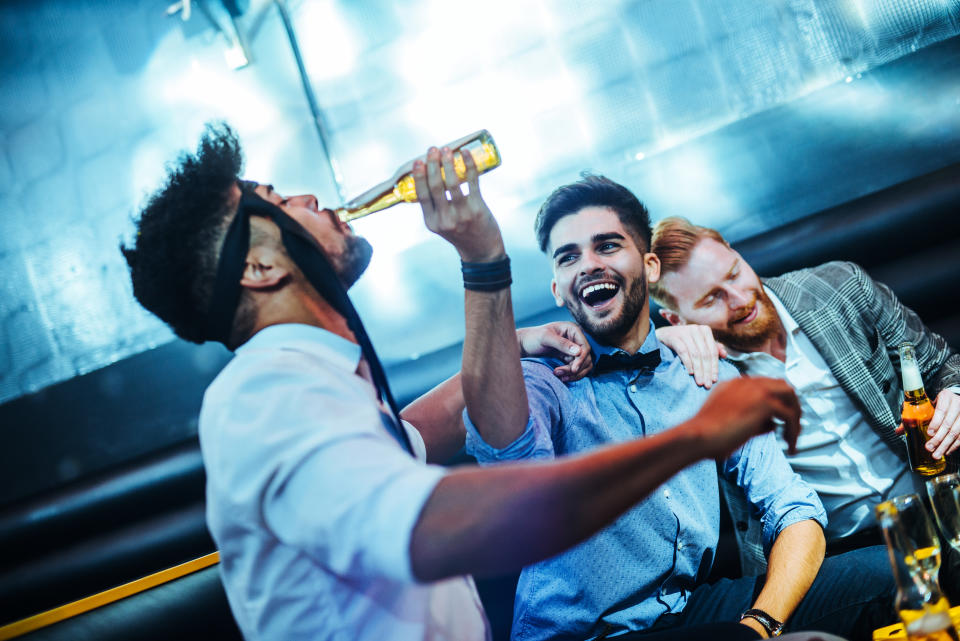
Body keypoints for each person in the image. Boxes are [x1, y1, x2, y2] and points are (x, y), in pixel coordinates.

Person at [120, 125, 813, 641]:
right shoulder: (266, 398)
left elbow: (420, 433)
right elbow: (453, 520)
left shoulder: (320, 385)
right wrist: (693, 437)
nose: (307, 195)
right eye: (275, 200)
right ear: (260, 269)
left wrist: (497, 299)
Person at [461, 174, 896, 641]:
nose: (587, 264)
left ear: (649, 266)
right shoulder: (543, 380)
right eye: (569, 257)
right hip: (584, 635)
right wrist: (483, 268)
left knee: (891, 577)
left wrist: (761, 624)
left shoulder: (704, 376)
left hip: (689, 611)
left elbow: (791, 507)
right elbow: (506, 450)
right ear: (557, 289)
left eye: (606, 246)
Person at [649, 216, 960, 572]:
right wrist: (656, 343)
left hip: (940, 497)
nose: (739, 299)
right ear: (677, 320)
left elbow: (941, 364)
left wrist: (955, 393)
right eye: (711, 299)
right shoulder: (689, 376)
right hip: (841, 555)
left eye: (734, 274)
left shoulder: (840, 286)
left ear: (736, 255)